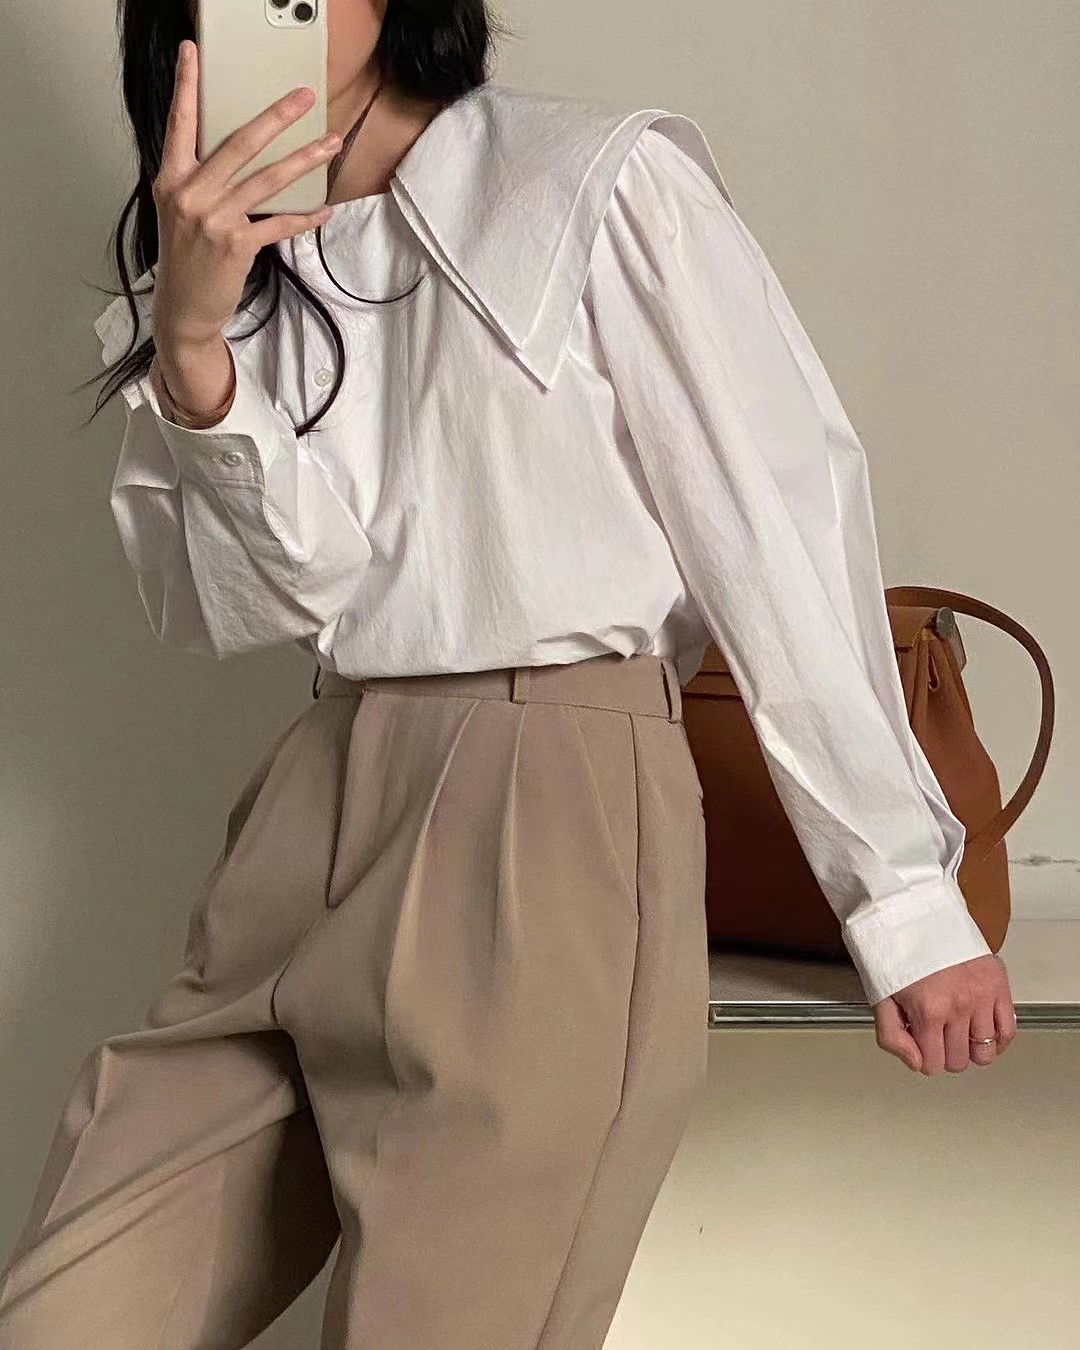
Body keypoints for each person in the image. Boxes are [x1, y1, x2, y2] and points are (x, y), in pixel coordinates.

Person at [0, 1, 1017, 1347]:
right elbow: (245, 604)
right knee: (65, 1319)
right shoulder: (228, 264)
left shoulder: (595, 184)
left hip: (548, 811)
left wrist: (904, 898)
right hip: (315, 800)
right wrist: (193, 349)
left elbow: (771, 528)